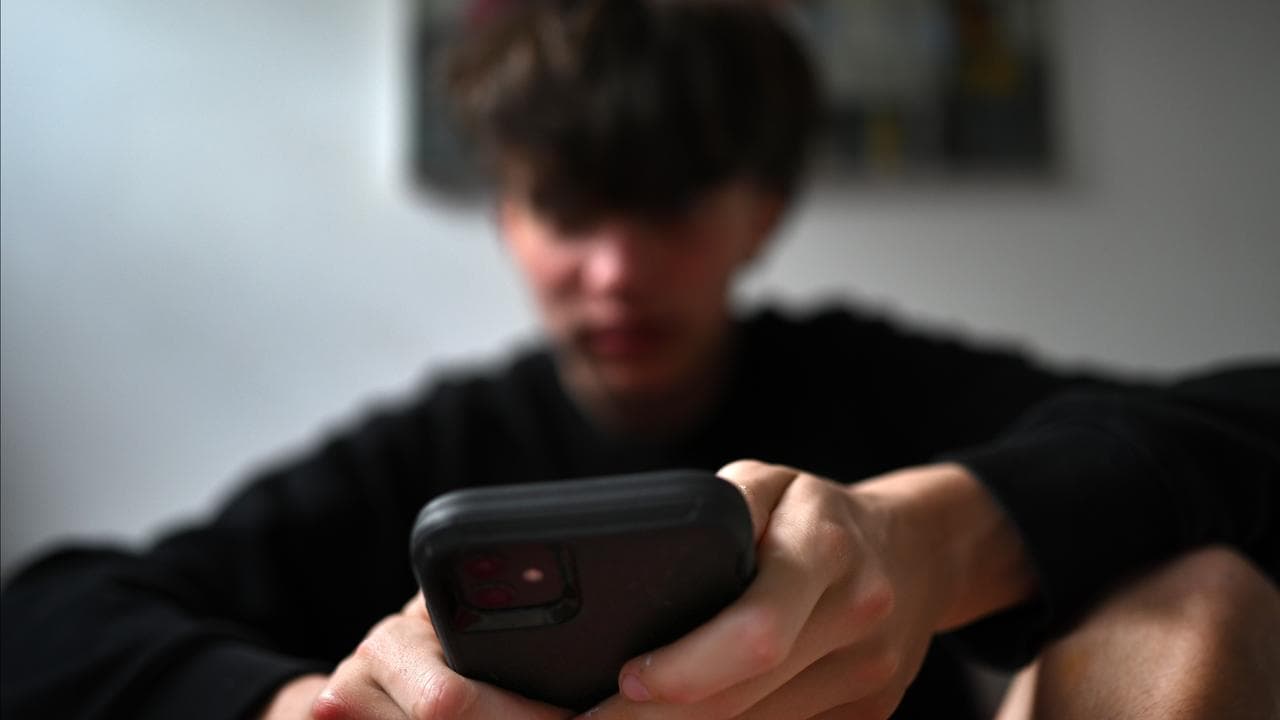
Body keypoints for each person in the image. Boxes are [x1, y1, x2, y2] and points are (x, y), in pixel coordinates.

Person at [3, 1, 1277, 719]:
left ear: (760, 212)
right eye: (566, 210)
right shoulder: (440, 448)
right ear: (506, 216)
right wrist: (292, 715)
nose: (613, 271)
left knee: (1202, 593)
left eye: (666, 207)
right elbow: (46, 619)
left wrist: (938, 539)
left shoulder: (870, 381)